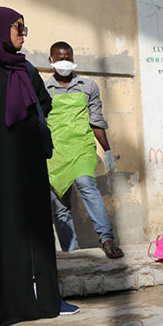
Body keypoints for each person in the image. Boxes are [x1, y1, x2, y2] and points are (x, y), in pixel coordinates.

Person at [0, 7, 78, 326]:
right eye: (17, 28)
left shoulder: (24, 69)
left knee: (35, 233)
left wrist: (34, 131)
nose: (23, 34)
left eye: (24, 28)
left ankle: (44, 301)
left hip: (28, 164)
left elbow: (43, 104)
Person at [45, 42, 123, 258]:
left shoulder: (88, 86)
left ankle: (107, 238)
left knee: (86, 183)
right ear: (50, 60)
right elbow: (40, 124)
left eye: (68, 57)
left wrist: (107, 150)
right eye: (60, 58)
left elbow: (96, 120)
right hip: (55, 152)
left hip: (82, 146)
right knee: (60, 205)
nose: (64, 62)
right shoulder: (43, 89)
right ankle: (72, 253)